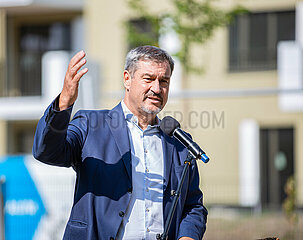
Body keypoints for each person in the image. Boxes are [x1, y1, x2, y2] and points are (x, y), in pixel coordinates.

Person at [33, 45, 207, 240]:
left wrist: (188, 237)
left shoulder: (178, 143)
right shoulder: (91, 125)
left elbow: (193, 206)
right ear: (127, 79)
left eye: (164, 81)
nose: (157, 88)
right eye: (148, 79)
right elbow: (45, 151)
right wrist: (64, 101)